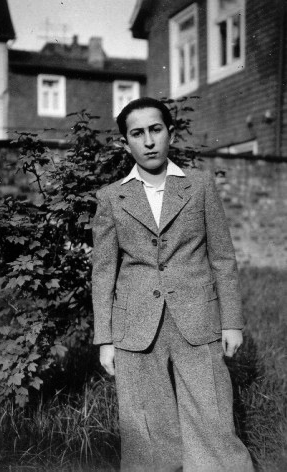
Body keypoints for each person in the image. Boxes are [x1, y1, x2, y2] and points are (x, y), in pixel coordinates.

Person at [92, 97, 254, 472]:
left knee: (212, 420)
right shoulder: (111, 197)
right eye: (137, 133)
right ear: (125, 143)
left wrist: (231, 321)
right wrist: (105, 339)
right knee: (146, 431)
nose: (148, 141)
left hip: (198, 319)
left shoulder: (199, 186)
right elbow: (103, 271)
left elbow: (223, 258)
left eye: (156, 130)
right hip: (135, 326)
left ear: (170, 133)